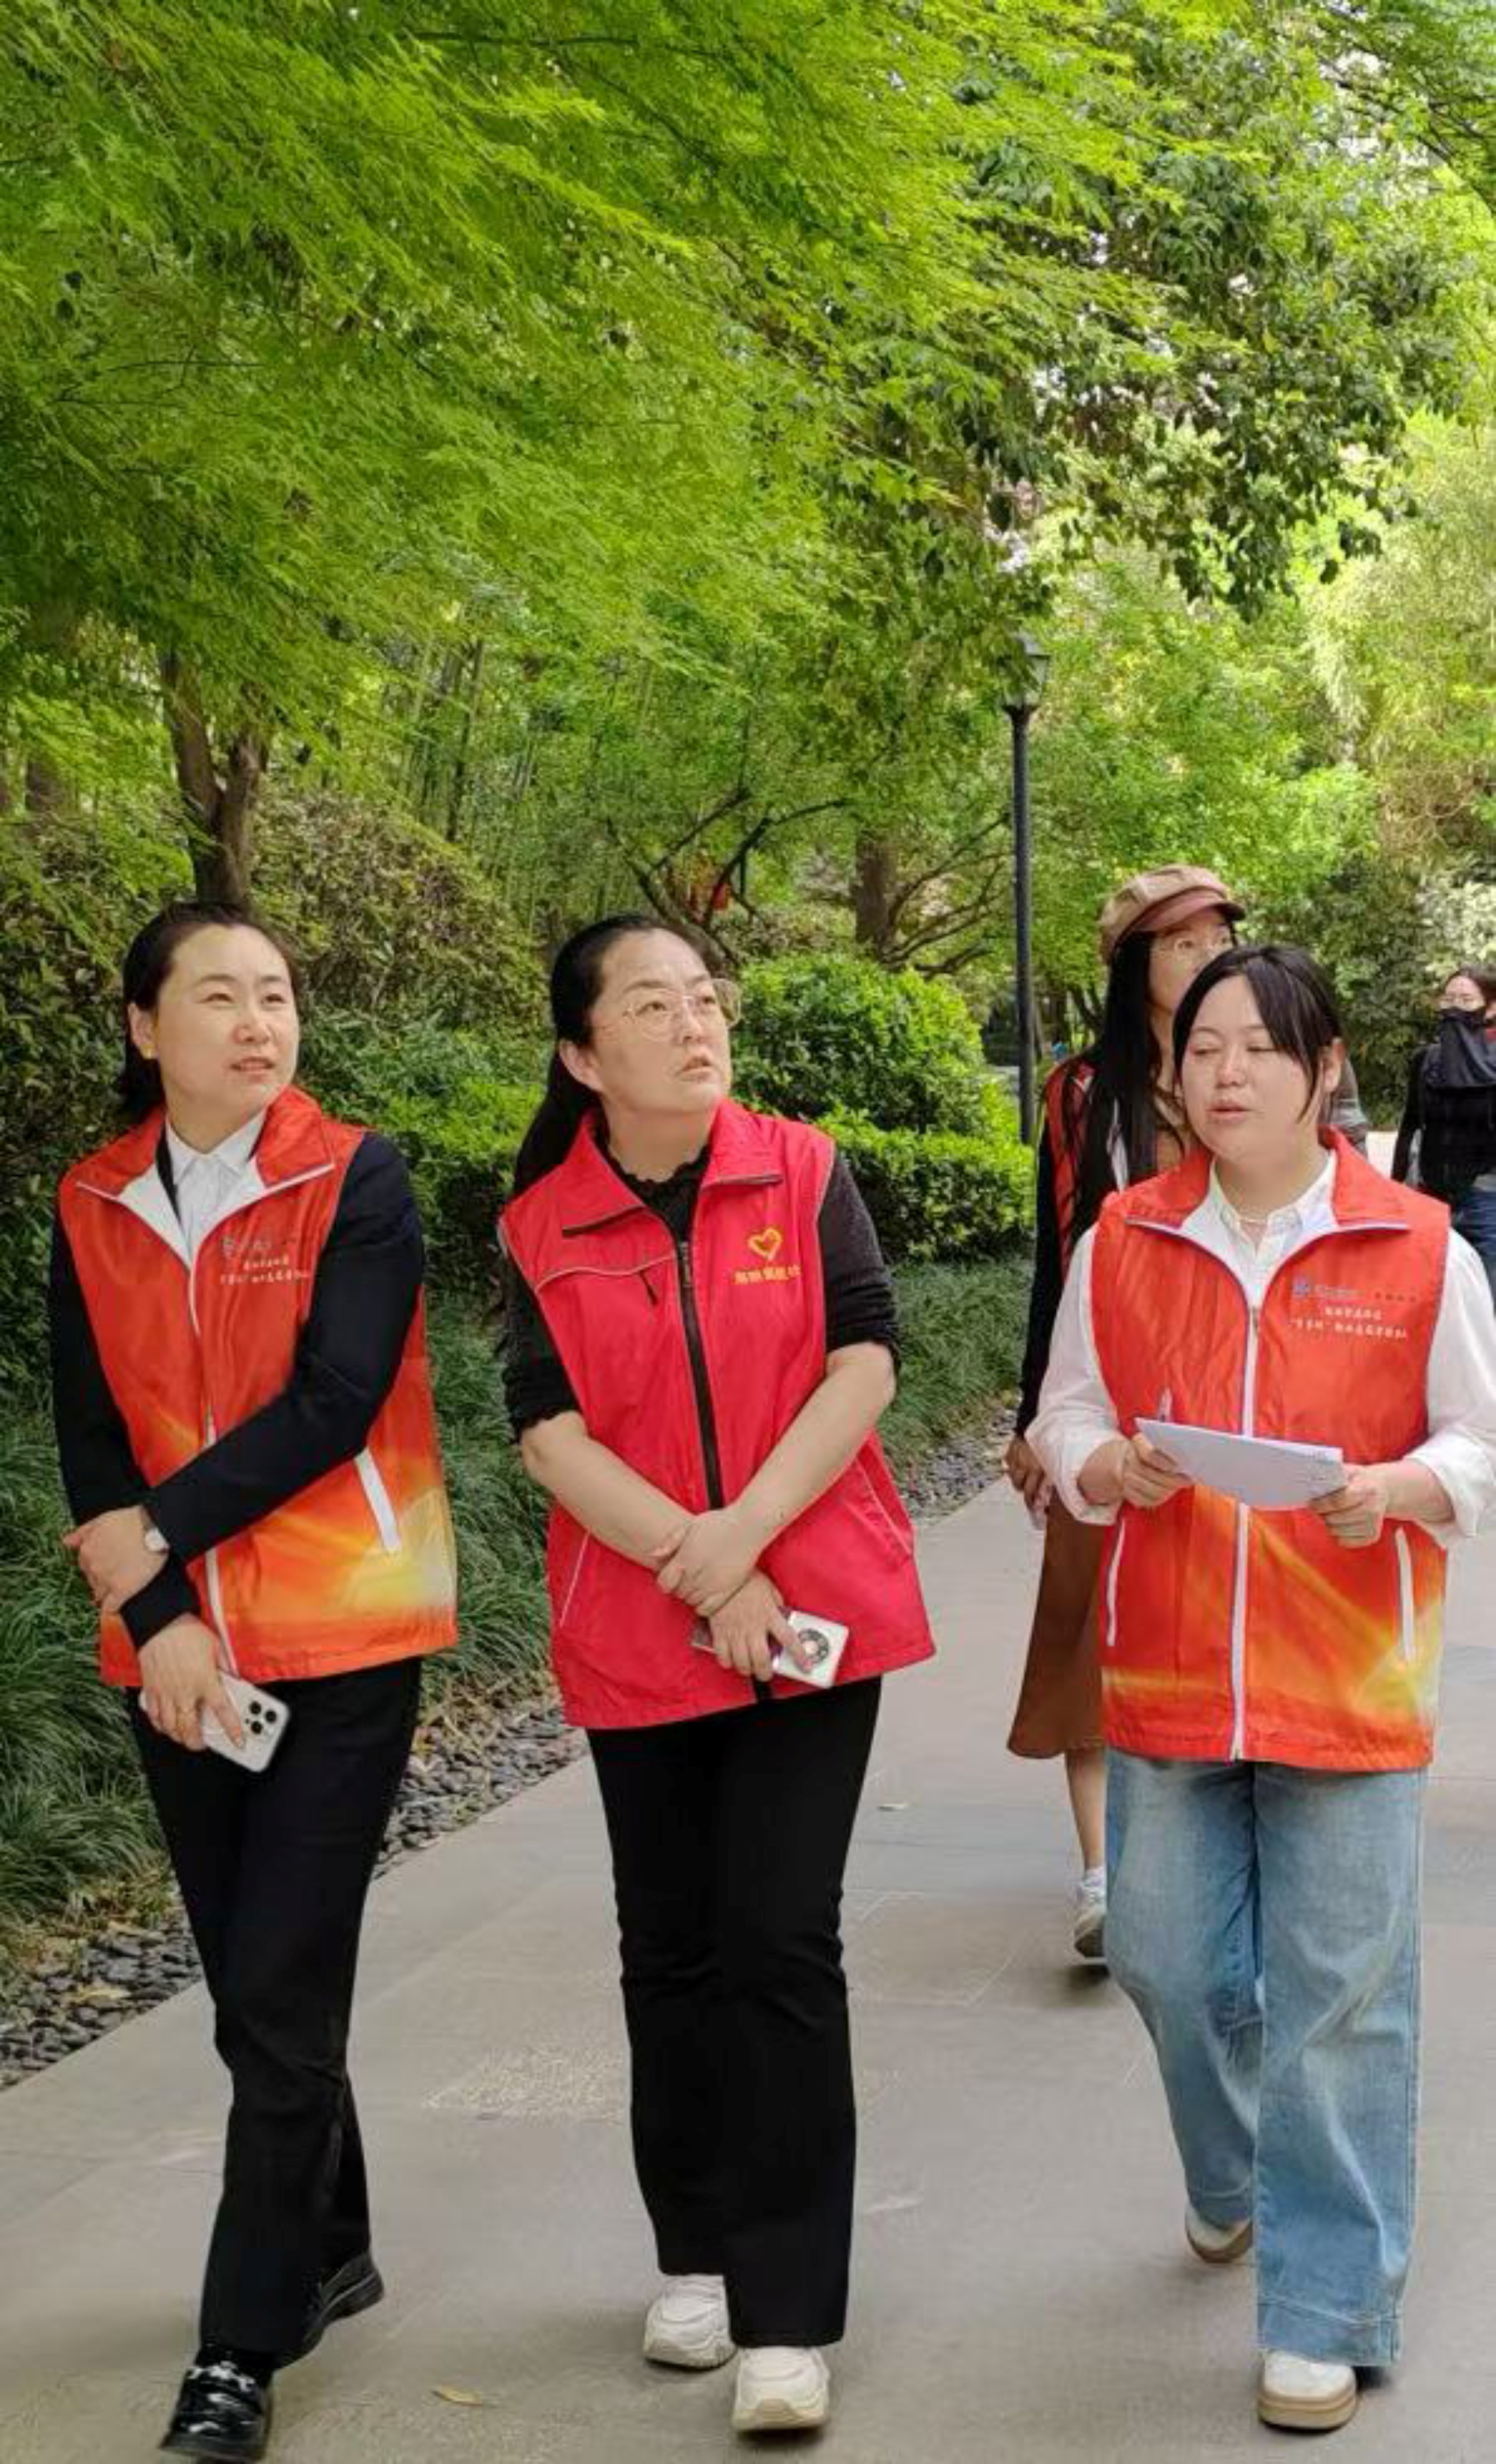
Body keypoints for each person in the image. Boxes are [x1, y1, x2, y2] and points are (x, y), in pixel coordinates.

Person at [1030, 942, 1496, 2435]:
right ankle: (1233, 2167)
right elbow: (1062, 1416)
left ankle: (1324, 2307)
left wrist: (1397, 1486)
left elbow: (1477, 1443)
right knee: (1164, 1959)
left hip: (1348, 1676)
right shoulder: (1124, 1235)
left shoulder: (1418, 1246)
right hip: (1168, 1669)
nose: (1225, 1072)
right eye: (1202, 1045)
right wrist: (1102, 1462)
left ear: (1323, 1065)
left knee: (1339, 1996)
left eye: (1258, 1046)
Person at [500, 915, 933, 2439]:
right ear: (582, 1054)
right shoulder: (538, 1223)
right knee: (671, 1947)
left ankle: (786, 2312)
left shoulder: (801, 1170)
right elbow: (546, 1431)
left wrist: (746, 1534)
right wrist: (700, 1563)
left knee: (780, 1941)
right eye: (651, 1005)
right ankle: (691, 2247)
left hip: (812, 1609)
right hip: (641, 1624)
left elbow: (865, 1357)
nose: (694, 1025)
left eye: (704, 998)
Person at [49, 903, 457, 2463]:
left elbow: (337, 1398)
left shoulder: (356, 1176)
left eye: (275, 994)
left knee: (281, 1989)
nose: (255, 1022)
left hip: (342, 1635)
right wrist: (158, 1610)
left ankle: (236, 2344)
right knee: (249, 1987)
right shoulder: (92, 1198)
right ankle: (332, 2241)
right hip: (176, 1652)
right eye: (217, 996)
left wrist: (157, 1535)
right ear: (144, 1026)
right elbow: (89, 1423)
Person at [1005, 864, 1243, 1960]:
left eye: (1215, 939)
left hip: (1237, 1380)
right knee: (1084, 1623)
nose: (1204, 958)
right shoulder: (1081, 1092)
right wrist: (1036, 1417)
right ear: (1134, 964)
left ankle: (1206, 1851)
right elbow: (1059, 1252)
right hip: (1108, 1381)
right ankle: (1104, 1873)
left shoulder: (1244, 1067)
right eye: (1180, 943)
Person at [1392, 964, 1496, 1289]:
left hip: (1486, 1199)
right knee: (1431, 1295)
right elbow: (1410, 1125)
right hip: (1431, 1197)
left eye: (1466, 1000)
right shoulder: (1426, 1061)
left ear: (1490, 1008)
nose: (1454, 1008)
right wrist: (1395, 1186)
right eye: (1448, 999)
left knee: (1487, 1299)